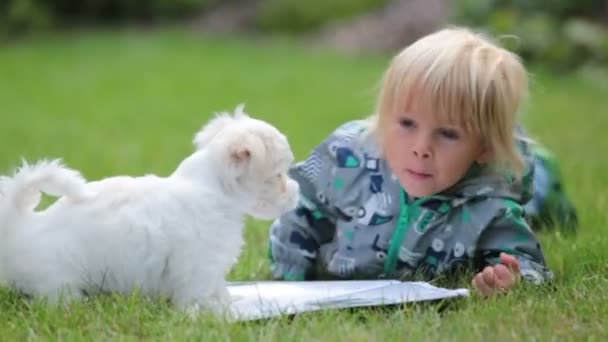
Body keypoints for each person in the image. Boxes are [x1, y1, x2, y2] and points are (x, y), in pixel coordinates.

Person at [268, 27, 578, 296]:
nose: (421, 148)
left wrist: (508, 278)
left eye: (447, 133)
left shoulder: (490, 207)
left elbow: (524, 262)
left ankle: (544, 176)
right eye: (406, 123)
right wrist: (290, 276)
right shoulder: (348, 165)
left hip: (501, 177)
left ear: (483, 147)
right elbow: (301, 209)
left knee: (532, 195)